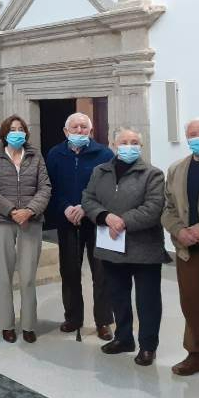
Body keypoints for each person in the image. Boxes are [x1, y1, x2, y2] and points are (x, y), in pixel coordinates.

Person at [82, 127, 168, 367]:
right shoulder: (100, 171)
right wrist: (105, 216)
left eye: (134, 142)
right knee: (117, 296)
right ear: (112, 144)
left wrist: (122, 222)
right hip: (111, 247)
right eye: (124, 141)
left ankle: (148, 346)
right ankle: (123, 338)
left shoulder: (153, 174)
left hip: (145, 248)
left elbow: (153, 208)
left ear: (140, 147)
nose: (129, 146)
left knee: (147, 301)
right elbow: (88, 199)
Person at [0, 115, 51, 344]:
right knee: (4, 276)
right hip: (2, 221)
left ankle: (29, 324)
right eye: (13, 129)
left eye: (21, 129)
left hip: (31, 221)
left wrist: (29, 210)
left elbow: (45, 187)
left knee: (29, 277)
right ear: (4, 133)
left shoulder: (36, 156)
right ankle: (7, 324)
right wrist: (12, 211)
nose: (17, 132)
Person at [46, 113, 115, 341]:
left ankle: (104, 321)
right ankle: (73, 317)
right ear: (66, 132)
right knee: (69, 271)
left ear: (91, 131)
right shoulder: (56, 154)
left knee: (102, 273)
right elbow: (50, 188)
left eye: (83, 127)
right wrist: (66, 208)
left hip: (96, 221)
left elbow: (109, 189)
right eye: (74, 127)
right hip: (67, 221)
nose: (79, 130)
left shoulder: (104, 154)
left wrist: (86, 208)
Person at [162, 118, 199, 376]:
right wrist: (179, 230)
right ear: (187, 138)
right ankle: (198, 354)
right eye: (194, 134)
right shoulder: (177, 169)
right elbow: (168, 208)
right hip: (187, 251)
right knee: (193, 304)